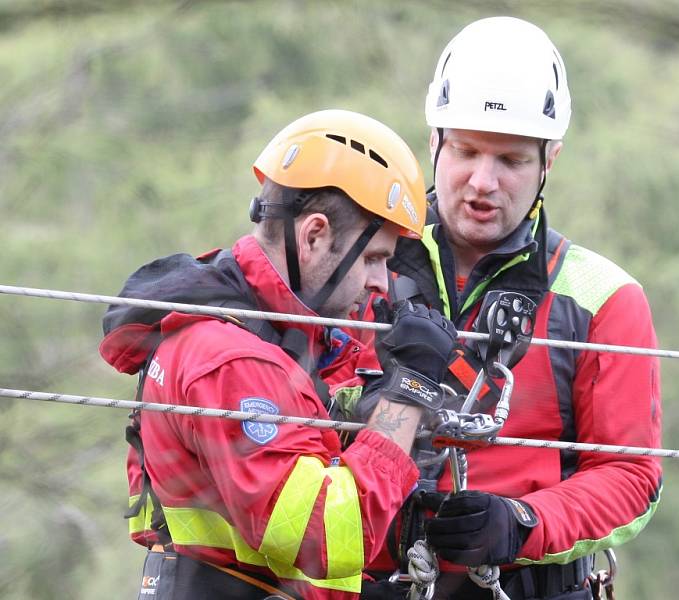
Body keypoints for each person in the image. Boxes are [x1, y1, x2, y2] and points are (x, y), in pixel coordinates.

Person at [357, 17, 663, 600]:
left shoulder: (603, 298)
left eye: (512, 161)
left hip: (528, 584)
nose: (483, 181)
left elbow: (633, 478)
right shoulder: (359, 268)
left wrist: (525, 524)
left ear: (550, 160)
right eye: (467, 151)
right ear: (434, 143)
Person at [98, 109, 459, 600]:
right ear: (313, 236)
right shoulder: (232, 359)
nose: (381, 281)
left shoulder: (275, 334)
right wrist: (409, 393)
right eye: (374, 258)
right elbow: (321, 537)